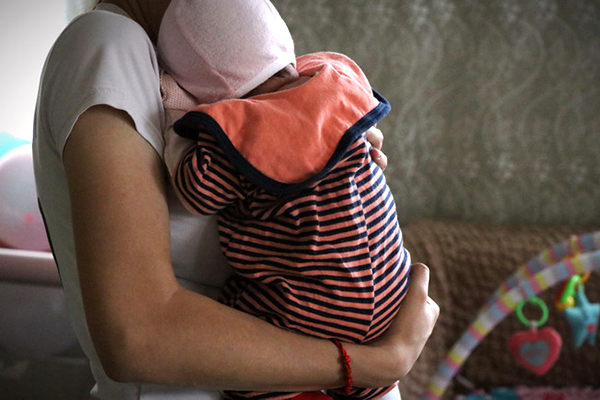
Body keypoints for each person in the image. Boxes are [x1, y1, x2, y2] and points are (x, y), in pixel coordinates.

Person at [32, 0, 439, 399]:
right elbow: (136, 335)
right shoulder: (109, 44)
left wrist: (327, 149)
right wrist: (375, 364)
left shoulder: (202, 49)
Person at [158, 2, 411, 399]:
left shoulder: (243, 133)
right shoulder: (336, 84)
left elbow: (194, 193)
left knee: (239, 352)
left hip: (310, 315)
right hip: (392, 304)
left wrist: (177, 115)